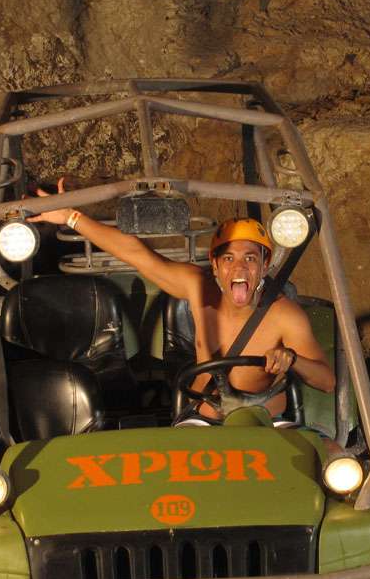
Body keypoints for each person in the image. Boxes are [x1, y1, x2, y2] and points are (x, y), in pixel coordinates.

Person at [30, 180, 335, 423]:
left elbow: (327, 382)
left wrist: (292, 359)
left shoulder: (285, 315)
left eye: (250, 259)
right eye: (228, 258)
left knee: (332, 460)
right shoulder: (198, 288)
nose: (239, 268)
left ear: (264, 266)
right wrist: (72, 217)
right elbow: (136, 253)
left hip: (268, 424)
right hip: (203, 422)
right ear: (215, 266)